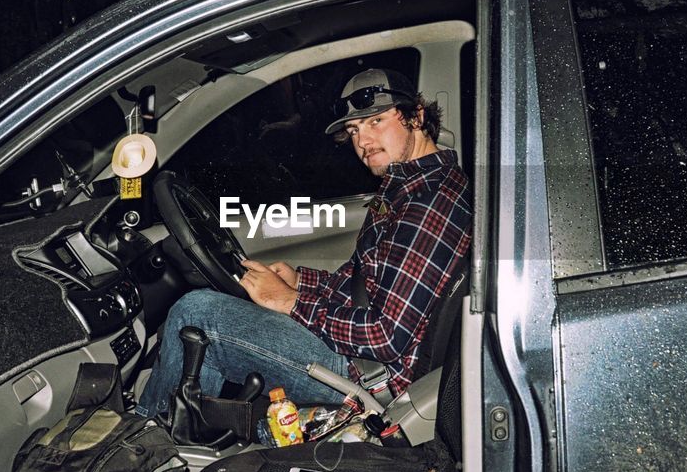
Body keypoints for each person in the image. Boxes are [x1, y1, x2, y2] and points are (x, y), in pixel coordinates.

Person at [134, 68, 472, 417]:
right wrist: (301, 281)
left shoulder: (428, 203)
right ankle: (186, 431)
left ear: (416, 117)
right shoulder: (408, 186)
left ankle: (145, 444)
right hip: (364, 357)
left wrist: (290, 301)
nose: (363, 141)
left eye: (376, 121)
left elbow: (384, 336)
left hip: (369, 374)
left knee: (196, 314)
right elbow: (367, 285)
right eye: (355, 129)